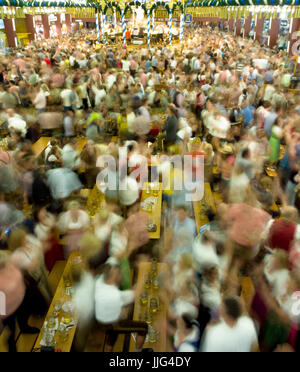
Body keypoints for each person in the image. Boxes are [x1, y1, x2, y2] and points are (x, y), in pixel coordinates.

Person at [95, 265, 148, 352]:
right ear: (112, 278)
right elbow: (136, 293)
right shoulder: (116, 295)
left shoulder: (100, 282)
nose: (121, 275)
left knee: (112, 335)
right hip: (112, 322)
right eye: (118, 274)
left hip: (101, 318)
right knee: (144, 327)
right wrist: (143, 277)